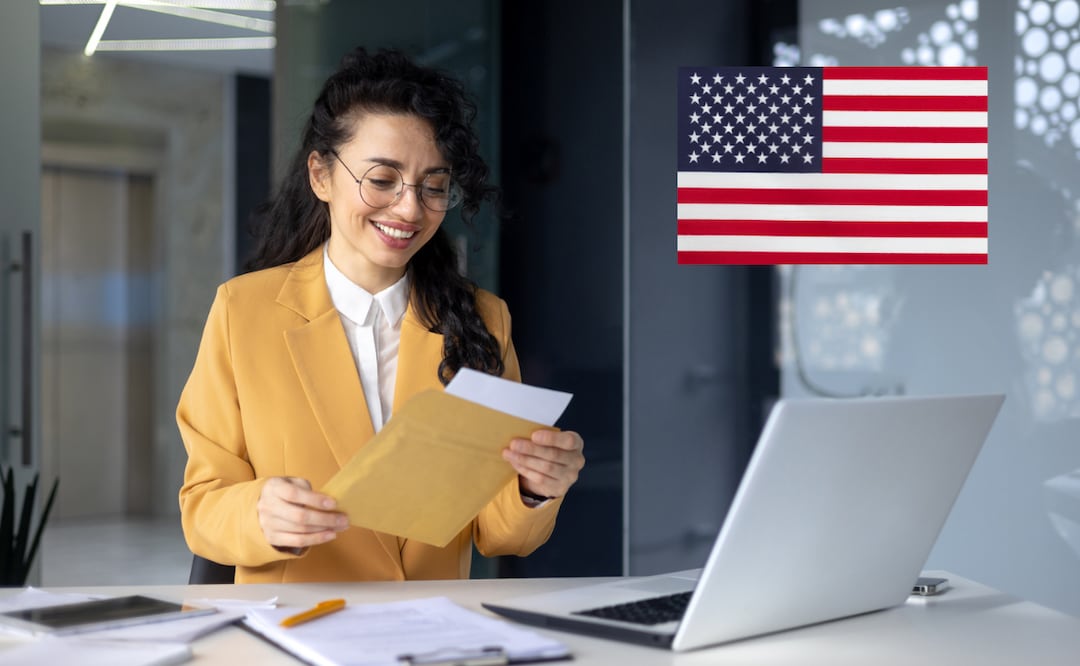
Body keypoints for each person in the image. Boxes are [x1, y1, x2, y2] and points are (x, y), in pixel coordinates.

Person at [177, 47, 585, 584]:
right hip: (293, 632)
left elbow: (498, 534)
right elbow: (203, 507)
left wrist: (536, 487)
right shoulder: (243, 312)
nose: (411, 209)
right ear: (321, 176)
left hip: (429, 635)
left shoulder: (483, 320)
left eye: (433, 186)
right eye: (383, 179)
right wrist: (260, 512)